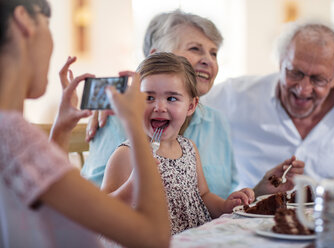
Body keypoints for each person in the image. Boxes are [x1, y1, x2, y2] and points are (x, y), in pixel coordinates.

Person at [0, 1, 170, 247]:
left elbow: (44, 200)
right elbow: (155, 238)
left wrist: (61, 129)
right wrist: (133, 122)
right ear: (23, 19)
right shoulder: (13, 135)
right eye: (48, 25)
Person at [82, 10, 238, 199]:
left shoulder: (218, 122)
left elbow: (223, 201)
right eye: (195, 49)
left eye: (214, 53)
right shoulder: (115, 119)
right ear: (155, 57)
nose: (209, 61)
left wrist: (261, 189)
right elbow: (95, 207)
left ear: (192, 105)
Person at [203, 21, 334, 194]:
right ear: (281, 62)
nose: (303, 89)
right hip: (251, 217)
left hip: (331, 218)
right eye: (295, 73)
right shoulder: (235, 96)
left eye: (318, 79)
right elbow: (187, 102)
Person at [101, 52, 255, 235]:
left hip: (195, 239)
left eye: (171, 98)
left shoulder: (189, 148)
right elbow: (103, 210)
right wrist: (131, 186)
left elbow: (203, 195)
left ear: (191, 106)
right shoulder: (127, 154)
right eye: (149, 98)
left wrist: (224, 205)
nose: (159, 107)